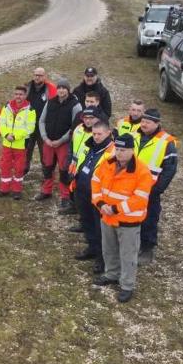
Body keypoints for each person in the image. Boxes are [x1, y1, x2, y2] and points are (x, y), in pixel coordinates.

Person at [91, 133, 154, 303]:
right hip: (106, 216)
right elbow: (95, 181)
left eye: (123, 150)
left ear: (132, 150)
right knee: (109, 249)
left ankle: (127, 285)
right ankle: (111, 274)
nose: (119, 153)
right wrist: (99, 202)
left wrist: (115, 208)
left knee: (128, 255)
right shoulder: (107, 163)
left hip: (128, 222)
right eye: (117, 149)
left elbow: (140, 199)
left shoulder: (142, 171)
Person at [134, 109, 178, 265]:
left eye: (148, 122)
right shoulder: (134, 135)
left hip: (150, 190)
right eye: (143, 121)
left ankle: (147, 248)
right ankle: (133, 244)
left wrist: (157, 189)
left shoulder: (167, 142)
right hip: (130, 187)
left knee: (149, 219)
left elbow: (170, 169)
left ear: (157, 123)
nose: (144, 124)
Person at [73, 117, 115, 274]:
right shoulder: (91, 146)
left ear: (108, 133)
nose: (96, 137)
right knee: (87, 223)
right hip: (83, 191)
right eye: (94, 133)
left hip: (99, 197)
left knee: (100, 229)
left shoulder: (113, 152)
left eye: (100, 134)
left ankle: (102, 259)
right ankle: (91, 248)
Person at [34, 78, 82, 214]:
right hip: (48, 141)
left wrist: (61, 140)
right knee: (47, 167)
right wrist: (45, 138)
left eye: (64, 88)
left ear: (68, 90)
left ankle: (65, 196)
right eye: (59, 88)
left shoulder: (75, 105)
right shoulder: (50, 102)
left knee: (63, 170)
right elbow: (42, 121)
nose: (61, 90)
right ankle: (46, 190)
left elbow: (75, 126)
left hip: (64, 143)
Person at [0, 85, 36, 200]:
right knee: (5, 166)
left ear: (25, 95)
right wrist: (6, 134)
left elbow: (30, 127)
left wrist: (16, 136)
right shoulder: (6, 107)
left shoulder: (30, 110)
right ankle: (4, 189)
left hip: (21, 144)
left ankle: (17, 190)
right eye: (16, 94)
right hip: (7, 143)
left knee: (19, 167)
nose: (18, 96)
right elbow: (1, 122)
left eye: (21, 94)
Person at [67, 108, 105, 227]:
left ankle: (89, 225)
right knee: (78, 196)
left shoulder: (97, 135)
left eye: (91, 118)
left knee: (89, 200)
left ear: (97, 119)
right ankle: (82, 220)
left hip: (89, 172)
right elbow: (72, 147)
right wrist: (69, 163)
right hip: (75, 168)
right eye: (86, 118)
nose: (88, 121)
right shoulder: (78, 128)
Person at [24, 67, 58, 175]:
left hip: (43, 126)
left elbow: (55, 105)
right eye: (36, 75)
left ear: (45, 76)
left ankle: (46, 173)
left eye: (40, 75)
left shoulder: (51, 88)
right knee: (26, 149)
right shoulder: (27, 87)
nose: (37, 77)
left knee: (44, 152)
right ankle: (24, 170)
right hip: (28, 126)